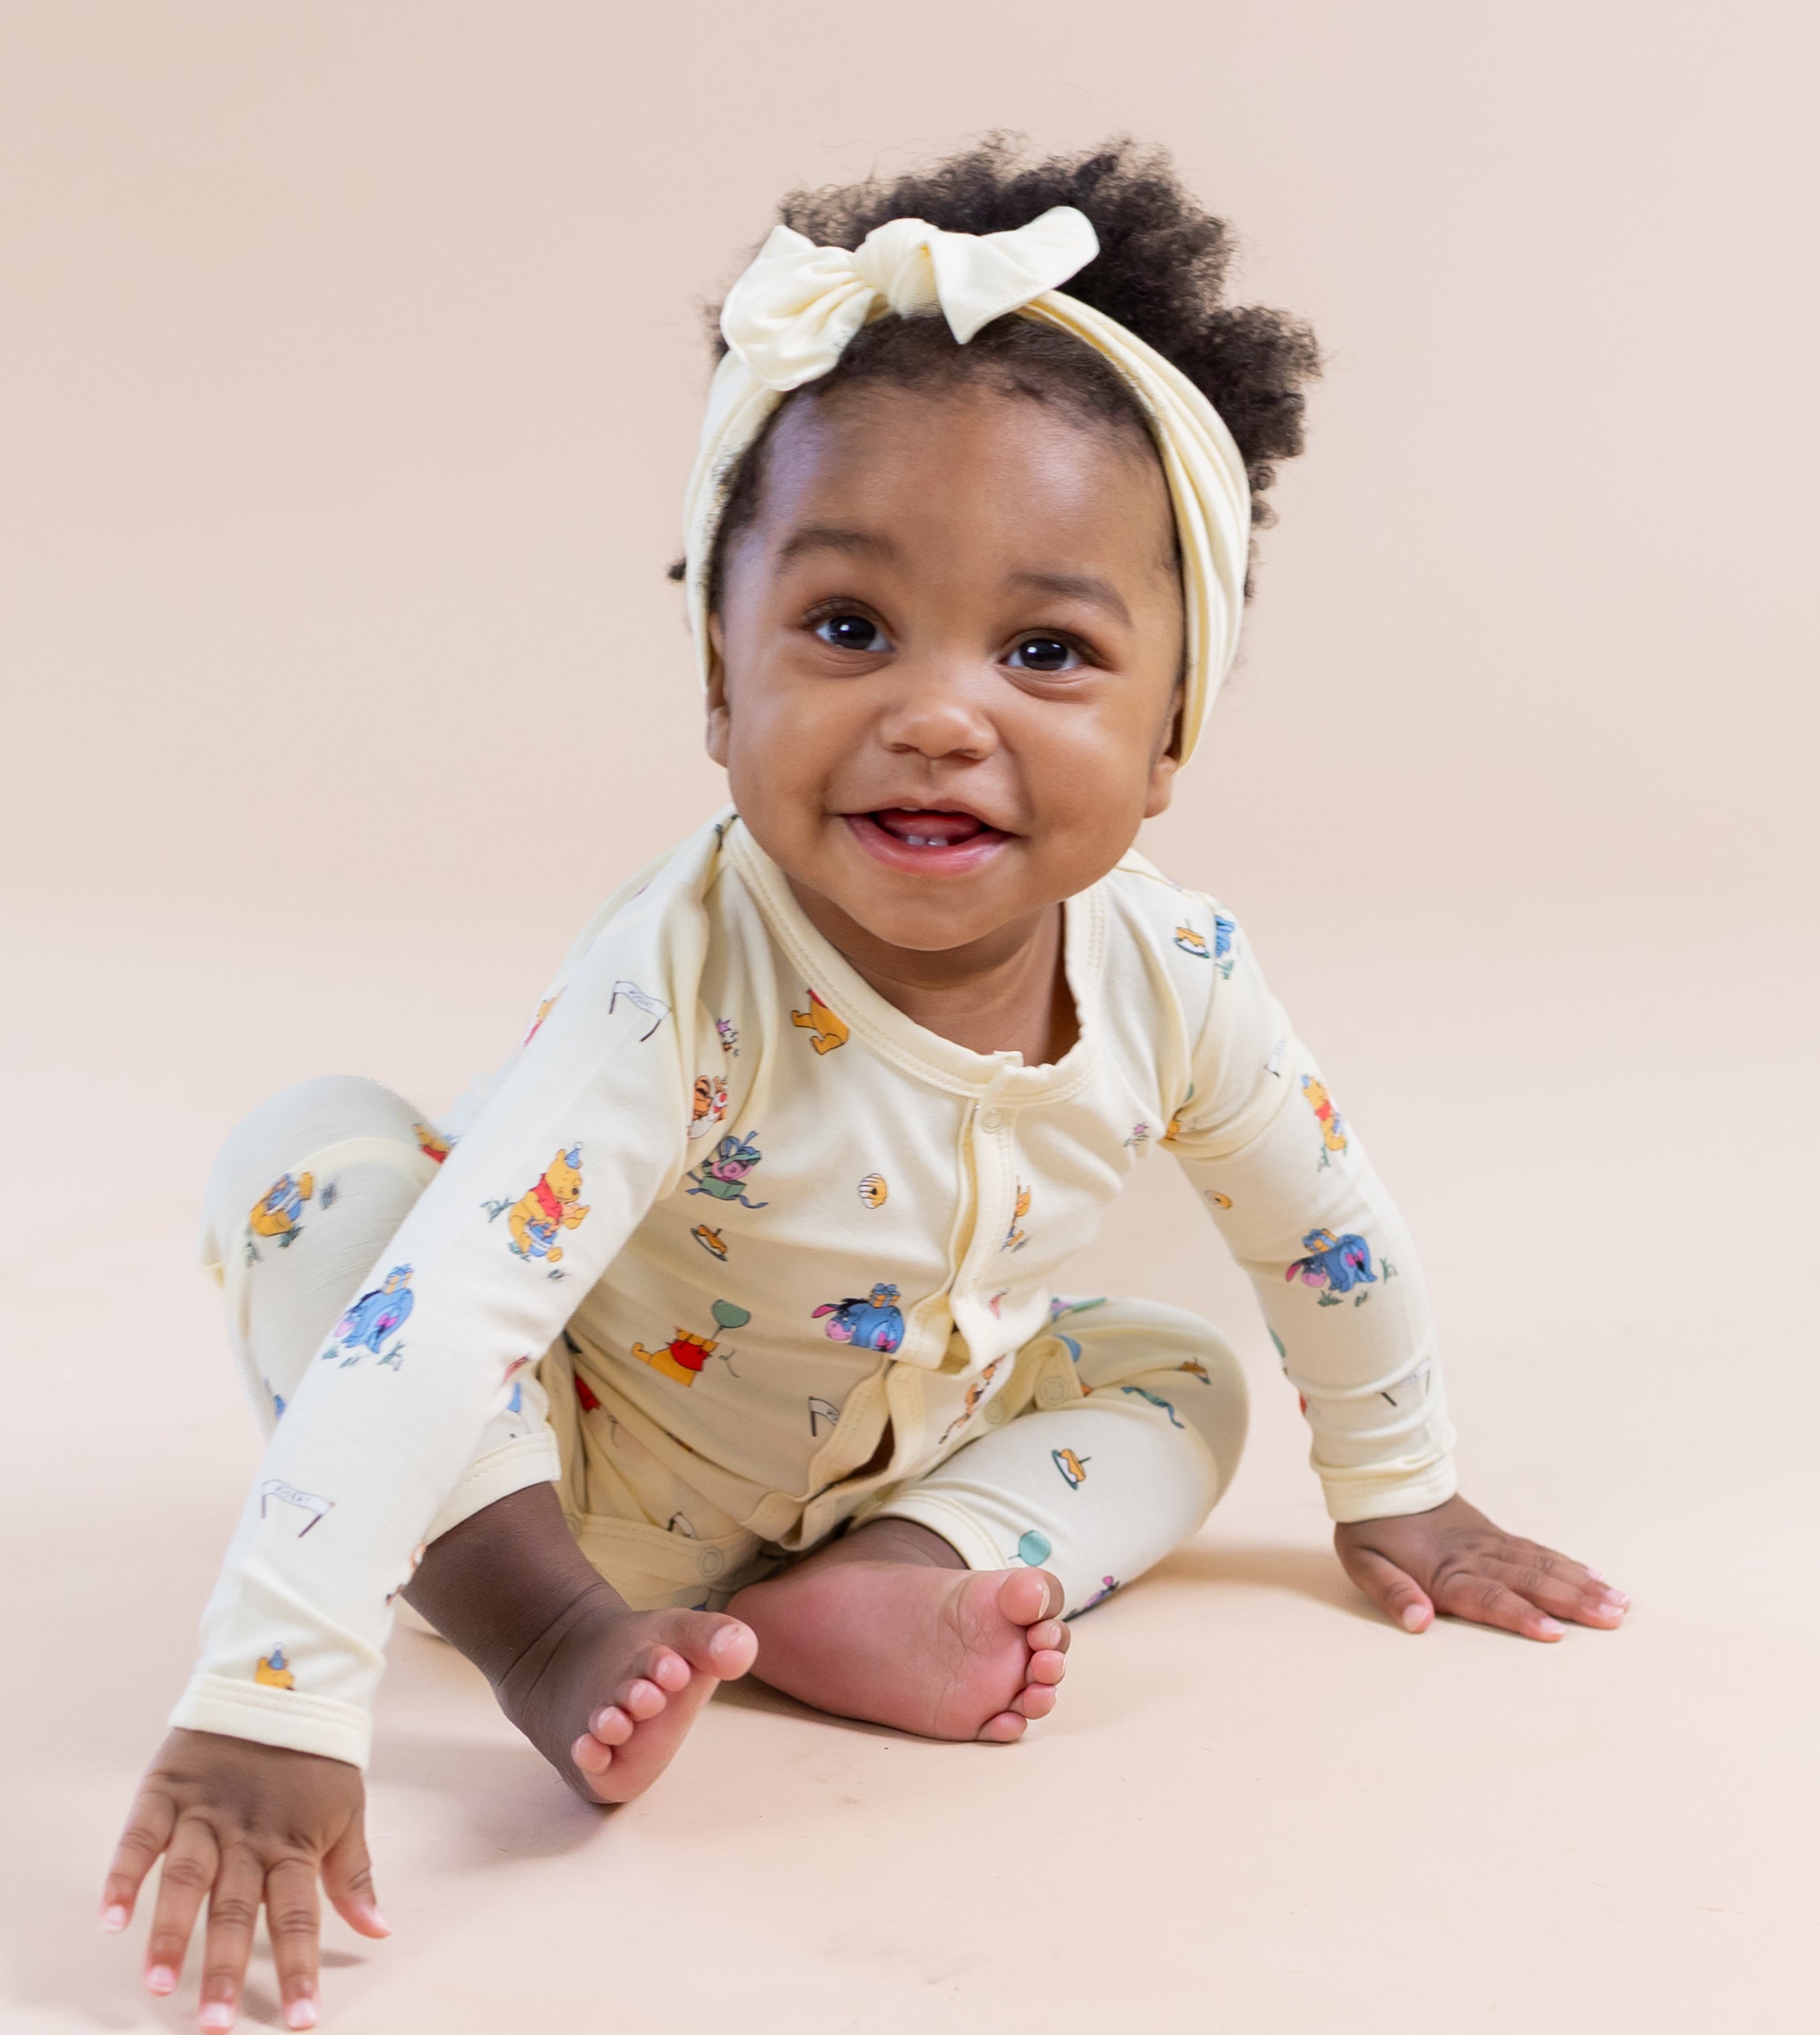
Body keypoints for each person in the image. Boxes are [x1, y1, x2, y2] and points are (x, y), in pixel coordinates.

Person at [100, 137, 1629, 2032]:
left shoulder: (1180, 975)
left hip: (922, 1435)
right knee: (316, 1173)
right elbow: (445, 1318)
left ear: (1170, 739)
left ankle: (894, 1583)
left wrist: (1404, 1486)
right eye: (845, 630)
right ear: (719, 687)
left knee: (1182, 1373)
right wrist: (275, 1690)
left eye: (1049, 651)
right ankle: (554, 1635)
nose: (938, 711)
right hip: (556, 1459)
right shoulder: (682, 978)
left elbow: (1321, 1231)